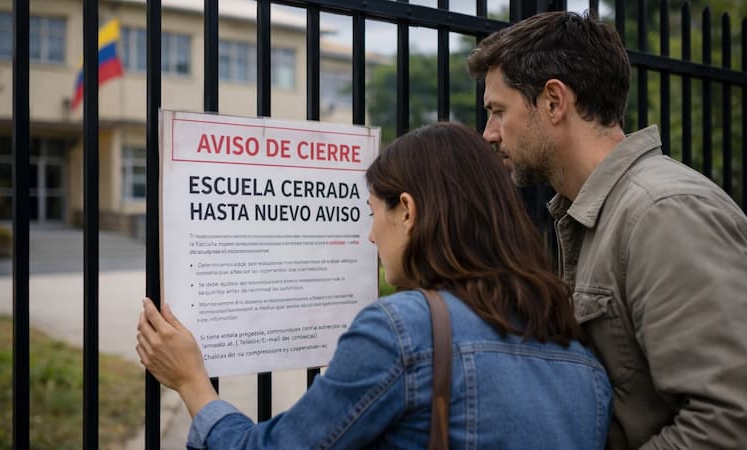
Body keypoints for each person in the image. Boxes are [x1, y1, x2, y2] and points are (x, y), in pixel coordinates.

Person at [136, 122, 612, 449]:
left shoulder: (402, 330)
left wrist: (192, 383)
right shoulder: (577, 351)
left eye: (371, 212)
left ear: (407, 211)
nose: (369, 235)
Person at [467, 10, 747, 450]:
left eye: (498, 111)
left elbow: (735, 424)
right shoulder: (599, 213)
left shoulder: (664, 214)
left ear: (553, 101)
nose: (489, 134)